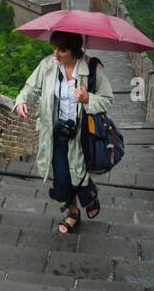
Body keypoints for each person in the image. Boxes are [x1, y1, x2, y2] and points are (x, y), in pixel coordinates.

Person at [13, 31, 114, 233]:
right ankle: (73, 212)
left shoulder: (92, 68)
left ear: (75, 51)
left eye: (62, 50)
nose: (56, 54)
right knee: (61, 176)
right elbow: (31, 89)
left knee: (80, 174)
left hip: (83, 133)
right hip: (57, 131)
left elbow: (107, 99)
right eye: (54, 48)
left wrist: (88, 99)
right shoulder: (48, 66)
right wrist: (21, 100)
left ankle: (90, 194)